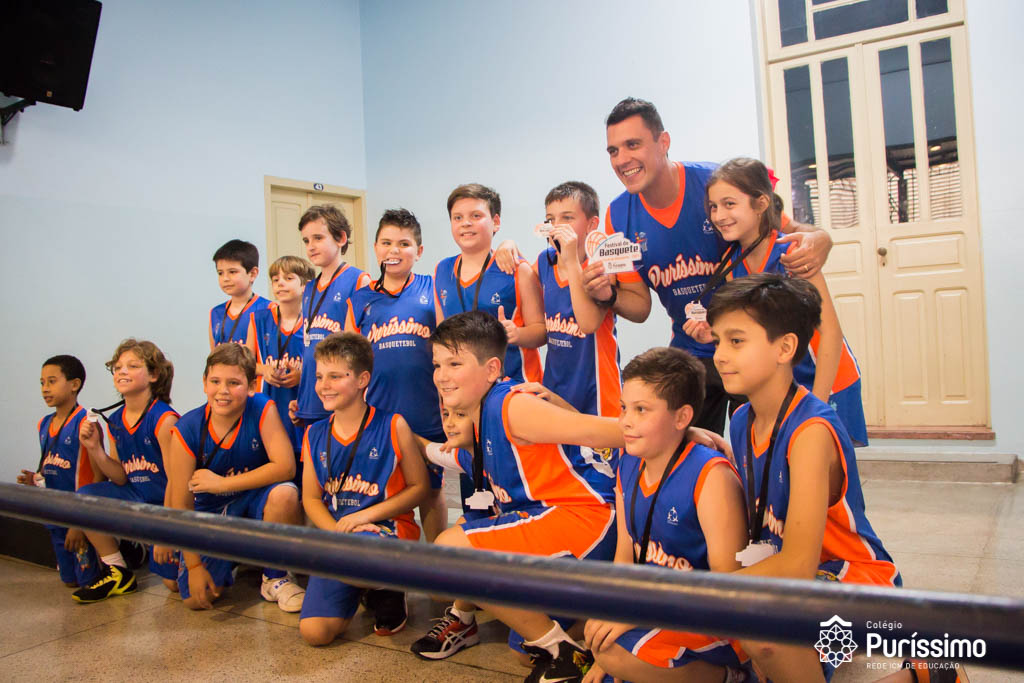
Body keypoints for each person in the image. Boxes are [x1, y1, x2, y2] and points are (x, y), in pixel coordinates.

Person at [590, 97, 832, 434]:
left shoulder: (713, 183)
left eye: (633, 144)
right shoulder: (618, 215)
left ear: (663, 142)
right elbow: (640, 306)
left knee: (768, 443)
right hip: (692, 347)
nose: (622, 159)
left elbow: (786, 231)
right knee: (680, 444)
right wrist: (608, 295)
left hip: (750, 345)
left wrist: (821, 238)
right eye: (613, 151)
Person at [708, 273, 900, 681]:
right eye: (717, 341)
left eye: (736, 341)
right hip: (787, 574)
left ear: (785, 348)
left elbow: (797, 565)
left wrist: (714, 590)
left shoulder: (811, 431)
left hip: (858, 583)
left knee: (764, 636)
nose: (720, 356)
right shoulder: (741, 419)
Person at [413, 311, 622, 683]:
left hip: (586, 520)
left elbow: (600, 432)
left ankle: (563, 653)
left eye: (455, 363)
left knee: (449, 550)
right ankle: (586, 637)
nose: (442, 375)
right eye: (437, 364)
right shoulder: (479, 421)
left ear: (492, 368)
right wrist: (400, 431)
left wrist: (684, 433)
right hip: (551, 522)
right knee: (521, 650)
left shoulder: (513, 405)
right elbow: (439, 454)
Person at [583, 347, 749, 683]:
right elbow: (625, 555)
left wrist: (635, 618)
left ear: (682, 417)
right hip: (658, 607)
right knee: (596, 634)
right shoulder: (629, 461)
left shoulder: (711, 476)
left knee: (613, 650)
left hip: (710, 617)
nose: (626, 421)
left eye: (641, 410)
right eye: (624, 408)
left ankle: (729, 676)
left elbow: (728, 589)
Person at [703, 157, 868, 445]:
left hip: (825, 377)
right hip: (786, 381)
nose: (719, 215)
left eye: (729, 204)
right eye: (714, 206)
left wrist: (818, 405)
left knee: (825, 460)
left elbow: (830, 332)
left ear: (761, 204)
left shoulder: (793, 253)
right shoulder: (730, 262)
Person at [299, 332, 428, 645]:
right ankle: (361, 587)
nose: (324, 385)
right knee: (315, 633)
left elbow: (419, 487)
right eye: (319, 376)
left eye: (335, 376)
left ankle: (388, 587)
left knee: (360, 553)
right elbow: (311, 498)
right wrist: (337, 532)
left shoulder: (393, 425)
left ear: (362, 379)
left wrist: (364, 516)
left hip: (387, 532)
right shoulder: (314, 434)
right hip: (341, 536)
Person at [166, 343, 305, 611]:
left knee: (285, 493)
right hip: (211, 511)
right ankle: (232, 556)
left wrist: (222, 484)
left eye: (234, 383)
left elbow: (285, 467)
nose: (223, 390)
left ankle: (275, 577)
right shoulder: (187, 428)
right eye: (215, 381)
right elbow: (181, 503)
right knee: (196, 599)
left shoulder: (262, 408)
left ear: (251, 386)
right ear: (204, 383)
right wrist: (193, 566)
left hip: (253, 500)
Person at [345, 209, 447, 541]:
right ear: (375, 248)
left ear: (419, 251)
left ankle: (437, 560)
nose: (394, 250)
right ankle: (392, 562)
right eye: (386, 242)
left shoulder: (433, 288)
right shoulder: (360, 299)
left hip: (427, 412)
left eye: (404, 244)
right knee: (385, 491)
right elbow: (349, 359)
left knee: (431, 491)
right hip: (379, 415)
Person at [72, 339, 180, 602]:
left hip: (165, 505)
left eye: (132, 366)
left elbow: (178, 482)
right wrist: (95, 449)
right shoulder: (115, 420)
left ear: (154, 375)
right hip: (135, 498)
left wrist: (167, 534)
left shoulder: (165, 419)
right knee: (84, 497)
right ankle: (117, 570)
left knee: (174, 585)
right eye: (118, 367)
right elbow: (120, 477)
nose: (122, 371)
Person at [434, 183, 545, 384]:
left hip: (514, 386)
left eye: (476, 216)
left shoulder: (517, 269)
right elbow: (441, 333)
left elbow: (541, 331)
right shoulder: (441, 270)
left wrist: (517, 334)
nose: (465, 223)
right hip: (464, 388)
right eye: (457, 218)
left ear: (495, 222)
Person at [533, 181, 621, 419]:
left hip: (597, 391)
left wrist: (571, 261)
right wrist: (507, 246)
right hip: (555, 387)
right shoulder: (544, 262)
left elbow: (589, 324)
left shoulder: (600, 264)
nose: (557, 226)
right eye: (550, 219)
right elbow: (520, 280)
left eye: (567, 218)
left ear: (591, 224)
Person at [17, 355, 102, 588]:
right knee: (69, 581)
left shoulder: (86, 422)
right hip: (55, 514)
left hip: (80, 515)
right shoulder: (43, 424)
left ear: (74, 384)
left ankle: (124, 550)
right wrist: (35, 479)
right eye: (42, 383)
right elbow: (52, 465)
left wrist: (80, 523)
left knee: (88, 581)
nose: (45, 389)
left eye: (52, 381)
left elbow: (98, 476)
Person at [290, 205, 371, 426]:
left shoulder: (358, 280)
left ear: (341, 238)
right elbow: (309, 347)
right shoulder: (309, 288)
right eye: (306, 240)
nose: (311, 246)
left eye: (318, 238)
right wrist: (302, 397)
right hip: (311, 397)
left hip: (341, 397)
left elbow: (360, 349)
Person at [247, 255, 316, 477]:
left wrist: (303, 375)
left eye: (288, 278)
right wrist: (264, 370)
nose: (280, 284)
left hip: (303, 406)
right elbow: (245, 363)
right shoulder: (258, 319)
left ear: (305, 285)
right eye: (276, 280)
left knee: (303, 472)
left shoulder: (316, 320)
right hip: (270, 404)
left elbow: (330, 363)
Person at [209, 239, 271, 349]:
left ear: (252, 274)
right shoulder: (215, 313)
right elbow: (213, 355)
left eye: (232, 272)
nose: (225, 278)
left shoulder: (269, 309)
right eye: (220, 273)